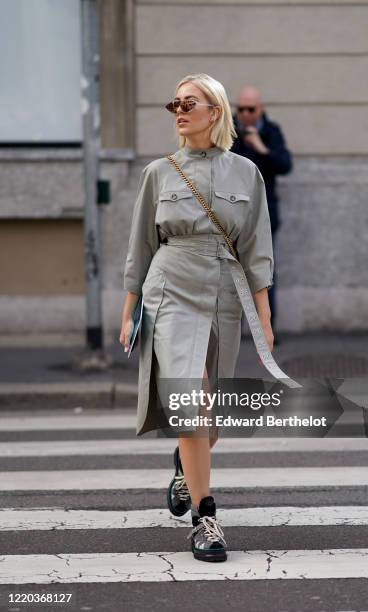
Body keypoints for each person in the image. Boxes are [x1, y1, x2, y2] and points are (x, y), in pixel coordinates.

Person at [119, 73, 275, 563]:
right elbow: (140, 246)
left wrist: (264, 319)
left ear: (216, 111)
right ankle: (206, 518)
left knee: (211, 408)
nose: (179, 111)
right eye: (174, 104)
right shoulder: (159, 173)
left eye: (190, 102)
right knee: (193, 396)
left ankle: (186, 471)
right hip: (170, 288)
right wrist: (128, 313)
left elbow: (257, 250)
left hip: (225, 292)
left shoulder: (247, 173)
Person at [230, 86, 293, 340]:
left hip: (265, 214)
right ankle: (231, 328)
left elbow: (285, 164)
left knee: (264, 273)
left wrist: (260, 146)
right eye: (241, 109)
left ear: (261, 109)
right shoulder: (228, 132)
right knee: (231, 273)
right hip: (233, 216)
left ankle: (267, 329)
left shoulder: (271, 131)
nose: (245, 114)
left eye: (251, 109)